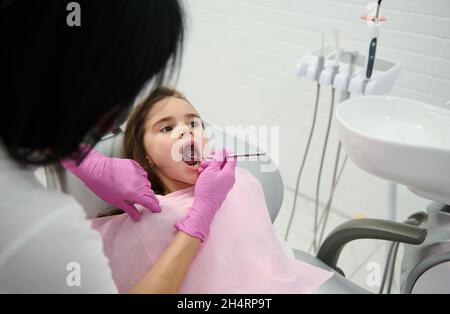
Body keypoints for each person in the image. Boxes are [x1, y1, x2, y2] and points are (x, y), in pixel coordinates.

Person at [0, 0, 236, 293]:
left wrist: (77, 156)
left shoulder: (237, 188)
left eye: (193, 123)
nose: (185, 133)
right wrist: (199, 219)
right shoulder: (46, 234)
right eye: (166, 127)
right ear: (145, 156)